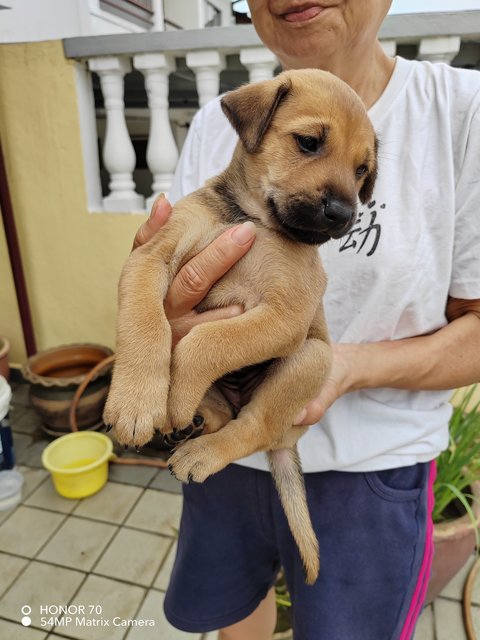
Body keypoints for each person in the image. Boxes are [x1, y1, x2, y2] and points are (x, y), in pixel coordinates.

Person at [132, 2, 480, 638]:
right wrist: (165, 320)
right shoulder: (225, 119)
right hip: (220, 458)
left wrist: (344, 368)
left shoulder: (462, 111)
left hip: (369, 471)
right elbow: (162, 282)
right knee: (233, 616)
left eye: (360, 172)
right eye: (307, 145)